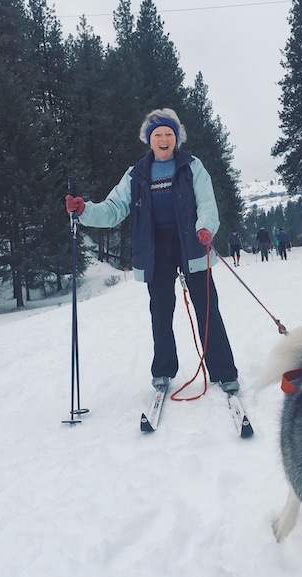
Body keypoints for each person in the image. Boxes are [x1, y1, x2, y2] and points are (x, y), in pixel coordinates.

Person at [65, 108, 239, 393]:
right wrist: (84, 211)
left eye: (168, 133)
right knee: (160, 311)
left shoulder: (192, 166)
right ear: (149, 139)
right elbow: (113, 210)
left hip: (193, 243)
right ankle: (163, 371)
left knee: (207, 307)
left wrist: (205, 226)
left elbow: (207, 204)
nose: (163, 138)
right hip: (156, 249)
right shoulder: (137, 174)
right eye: (157, 134)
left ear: (176, 138)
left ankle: (223, 371)